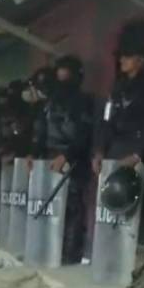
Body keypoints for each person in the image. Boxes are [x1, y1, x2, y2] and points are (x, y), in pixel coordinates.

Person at [92, 40, 144, 244]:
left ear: (140, 60)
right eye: (121, 56)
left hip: (143, 156)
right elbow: (106, 122)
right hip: (115, 154)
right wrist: (99, 151)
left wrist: (137, 154)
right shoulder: (118, 88)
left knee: (143, 209)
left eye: (128, 56)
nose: (122, 60)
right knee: (114, 204)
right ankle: (115, 252)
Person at [27, 56, 93, 264]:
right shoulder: (50, 103)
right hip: (49, 157)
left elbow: (84, 134)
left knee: (72, 205)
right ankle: (51, 247)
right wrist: (34, 153)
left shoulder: (83, 102)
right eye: (59, 74)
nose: (61, 79)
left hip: (72, 159)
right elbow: (42, 130)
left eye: (66, 74)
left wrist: (67, 156)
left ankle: (70, 253)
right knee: (52, 205)